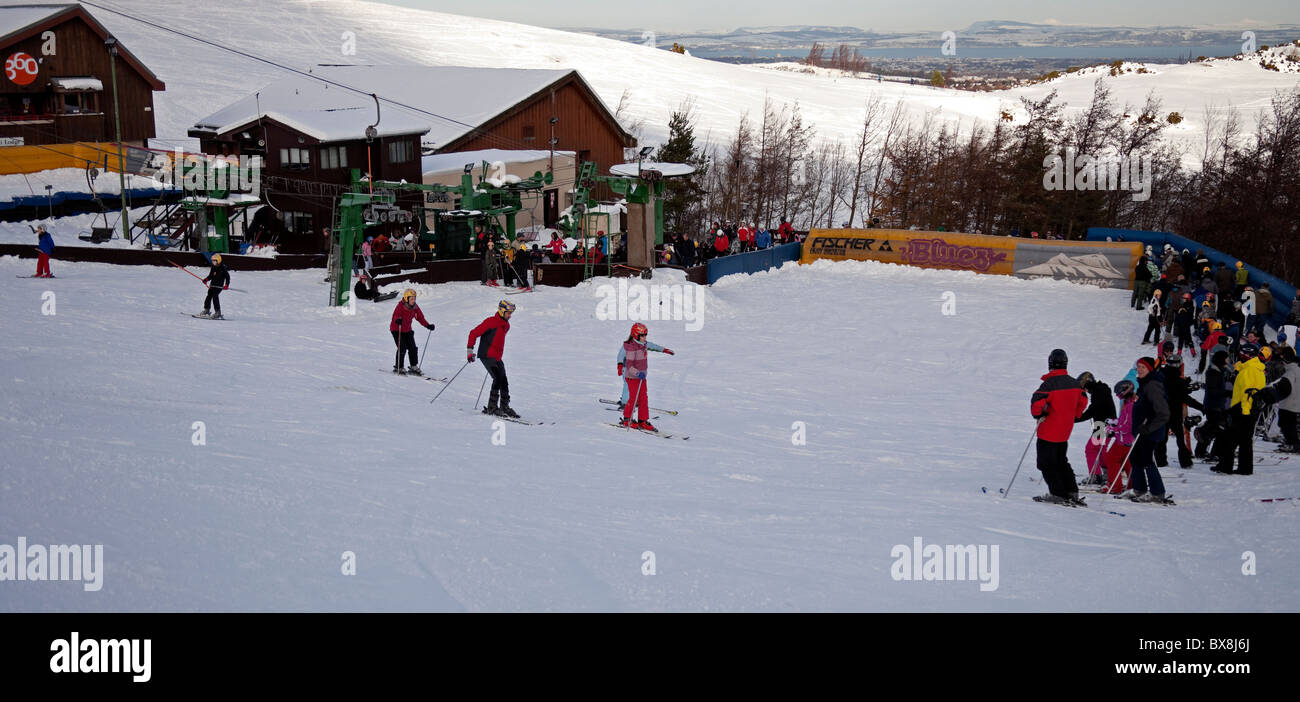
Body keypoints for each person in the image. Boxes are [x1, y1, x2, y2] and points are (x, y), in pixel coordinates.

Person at [1029, 349, 1088, 504]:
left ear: (1050, 364)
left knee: (1046, 463)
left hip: (1048, 429)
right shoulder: (1074, 383)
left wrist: (1041, 413)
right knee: (1061, 461)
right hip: (1065, 430)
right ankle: (1071, 491)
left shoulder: (1049, 384)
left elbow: (1036, 405)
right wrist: (1074, 415)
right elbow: (1083, 400)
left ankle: (1058, 493)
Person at [1215, 344, 1267, 475]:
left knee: (1229, 438)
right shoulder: (1256, 368)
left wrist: (1244, 412)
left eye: (1242, 354)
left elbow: (1248, 392)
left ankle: (1225, 467)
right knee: (1245, 440)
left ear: (1247, 355)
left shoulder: (1249, 371)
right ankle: (1245, 468)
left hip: (1243, 408)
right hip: (1251, 408)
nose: (1239, 356)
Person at [1127, 357, 1173, 503]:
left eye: (1143, 367)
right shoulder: (1144, 384)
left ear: (1150, 369)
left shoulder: (1152, 385)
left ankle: (1157, 492)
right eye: (1138, 366)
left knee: (1146, 459)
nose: (1139, 370)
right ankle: (1139, 489)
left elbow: (1164, 413)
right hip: (1142, 430)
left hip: (1150, 431)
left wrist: (1148, 427)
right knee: (1135, 457)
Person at [617, 322, 675, 431]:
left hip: (642, 378)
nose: (645, 337)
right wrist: (637, 373)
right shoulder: (631, 348)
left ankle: (642, 421)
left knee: (644, 398)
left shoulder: (643, 344)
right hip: (632, 377)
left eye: (646, 335)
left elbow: (653, 346)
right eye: (643, 335)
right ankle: (627, 419)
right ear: (636, 335)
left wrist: (665, 350)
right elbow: (629, 366)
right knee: (633, 399)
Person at [467, 300, 517, 418]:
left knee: (503, 380)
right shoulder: (491, 322)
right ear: (501, 311)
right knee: (498, 378)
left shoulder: (506, 325)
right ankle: (492, 407)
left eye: (511, 313)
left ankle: (505, 406)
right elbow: (473, 333)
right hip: (487, 355)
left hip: (497, 357)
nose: (510, 316)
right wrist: (470, 351)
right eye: (508, 313)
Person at [1075, 371, 1116, 486]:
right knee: (1101, 450)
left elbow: (1093, 410)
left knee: (1090, 449)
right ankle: (1107, 475)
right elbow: (1096, 409)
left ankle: (1096, 476)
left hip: (1103, 425)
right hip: (1107, 424)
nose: (1085, 391)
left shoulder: (1099, 392)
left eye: (1084, 388)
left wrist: (1076, 418)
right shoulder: (1100, 390)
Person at [1163, 353, 1203, 468]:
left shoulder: (1161, 376)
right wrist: (1201, 407)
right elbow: (1185, 398)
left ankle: (1160, 460)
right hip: (1174, 412)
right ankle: (1185, 462)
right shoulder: (1178, 380)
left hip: (1162, 411)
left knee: (1162, 438)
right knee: (1180, 438)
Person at [1257, 346, 1300, 451]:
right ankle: (1292, 443)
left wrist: (1275, 391)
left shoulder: (1289, 370)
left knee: (1286, 423)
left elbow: (1285, 385)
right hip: (1294, 401)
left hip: (1288, 402)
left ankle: (1291, 444)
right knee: (1288, 423)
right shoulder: (1295, 368)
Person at [1195, 350, 1232, 460]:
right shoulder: (1213, 372)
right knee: (1217, 429)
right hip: (1212, 405)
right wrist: (1227, 393)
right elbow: (1212, 390)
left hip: (1217, 404)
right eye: (1226, 358)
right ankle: (1211, 453)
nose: (1227, 360)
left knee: (1213, 429)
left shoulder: (1220, 371)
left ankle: (1202, 451)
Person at [1103, 380, 1138, 494]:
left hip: (1125, 439)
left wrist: (1112, 429)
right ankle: (1133, 485)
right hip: (1129, 439)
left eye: (1119, 393)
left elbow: (1126, 426)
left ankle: (1115, 486)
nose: (1118, 396)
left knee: (1111, 458)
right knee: (1127, 461)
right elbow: (1125, 421)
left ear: (1125, 392)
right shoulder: (1131, 402)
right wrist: (1114, 422)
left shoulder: (1130, 405)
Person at [390, 288, 435, 375]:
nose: (413, 301)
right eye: (411, 299)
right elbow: (396, 315)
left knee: (412, 347)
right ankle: (399, 367)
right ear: (407, 298)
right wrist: (398, 319)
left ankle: (413, 366)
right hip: (397, 329)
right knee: (402, 347)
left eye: (414, 299)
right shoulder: (400, 306)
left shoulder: (415, 307)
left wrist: (428, 325)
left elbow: (420, 318)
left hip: (407, 330)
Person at [198, 253, 230, 319]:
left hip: (219, 286)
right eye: (212, 261)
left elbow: (227, 277)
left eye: (214, 261)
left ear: (218, 260)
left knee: (215, 296)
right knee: (208, 296)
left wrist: (226, 285)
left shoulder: (223, 268)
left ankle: (218, 312)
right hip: (212, 285)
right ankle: (207, 310)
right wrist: (206, 279)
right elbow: (211, 276)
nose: (213, 262)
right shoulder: (213, 267)